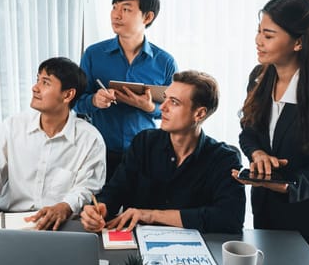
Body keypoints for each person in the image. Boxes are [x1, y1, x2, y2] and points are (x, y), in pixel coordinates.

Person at [232, 0, 309, 265]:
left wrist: (287, 185)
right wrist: (258, 153)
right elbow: (248, 130)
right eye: (259, 32)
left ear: (298, 42)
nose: (258, 41)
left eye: (269, 35)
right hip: (265, 213)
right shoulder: (259, 77)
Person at [81, 70, 245, 234]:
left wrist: (150, 215)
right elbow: (116, 191)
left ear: (199, 113)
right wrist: (101, 208)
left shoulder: (224, 159)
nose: (163, 107)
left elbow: (230, 218)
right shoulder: (143, 142)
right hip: (137, 247)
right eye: (165, 98)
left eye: (174, 102)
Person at [0, 57, 106, 231]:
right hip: (10, 222)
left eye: (45, 82)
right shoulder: (13, 126)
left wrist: (64, 207)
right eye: (37, 79)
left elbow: (86, 188)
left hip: (61, 225)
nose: (35, 88)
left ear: (68, 94)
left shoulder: (91, 139)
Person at [74, 0, 178, 180]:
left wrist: (149, 107)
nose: (116, 14)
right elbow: (76, 103)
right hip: (99, 152)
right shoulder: (93, 54)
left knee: (140, 211)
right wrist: (95, 100)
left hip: (146, 153)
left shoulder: (165, 62)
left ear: (147, 16)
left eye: (126, 9)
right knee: (100, 209)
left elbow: (176, 113)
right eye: (114, 7)